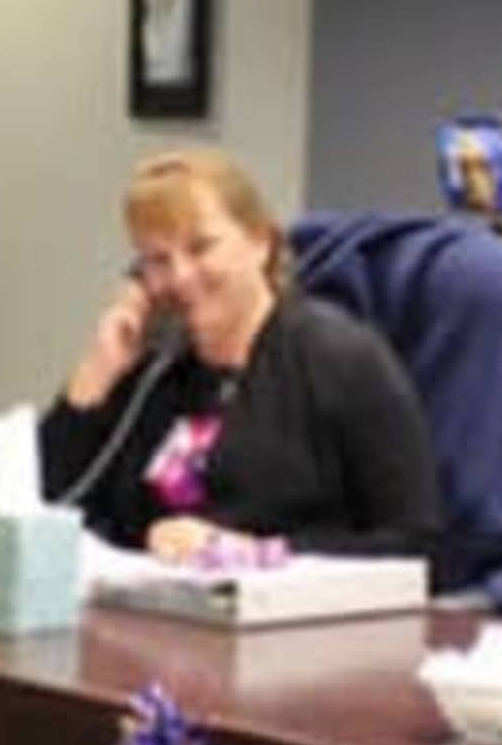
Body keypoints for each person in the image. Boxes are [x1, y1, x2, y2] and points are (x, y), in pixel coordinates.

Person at [41, 149, 440, 566]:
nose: (180, 276)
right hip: (151, 617)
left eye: (201, 248)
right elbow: (42, 512)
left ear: (261, 243)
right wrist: (95, 374)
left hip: (290, 621)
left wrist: (246, 554)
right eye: (157, 260)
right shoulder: (154, 374)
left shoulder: (342, 358)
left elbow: (414, 545)